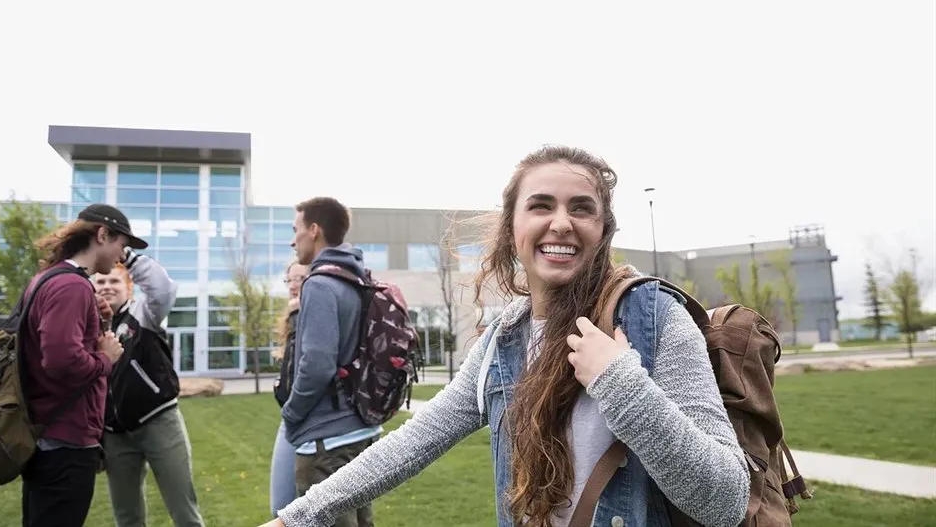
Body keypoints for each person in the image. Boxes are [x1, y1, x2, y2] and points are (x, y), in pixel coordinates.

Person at [260, 146, 751, 527]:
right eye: (540, 205)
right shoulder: (505, 339)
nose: (561, 222)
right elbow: (413, 441)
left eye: (581, 208)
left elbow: (726, 501)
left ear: (602, 230)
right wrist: (299, 514)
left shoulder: (656, 317)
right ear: (512, 227)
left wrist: (623, 385)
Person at [20, 204, 143, 527]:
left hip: (45, 436)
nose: (121, 256)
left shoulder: (47, 279)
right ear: (102, 235)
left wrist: (95, 319)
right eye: (121, 245)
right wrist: (106, 359)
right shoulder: (72, 286)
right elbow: (60, 361)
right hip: (65, 441)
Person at [279, 196, 382, 527]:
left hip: (327, 442)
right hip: (360, 430)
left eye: (296, 230)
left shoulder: (320, 284)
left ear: (314, 229)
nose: (293, 240)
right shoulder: (355, 276)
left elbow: (318, 365)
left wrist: (291, 413)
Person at [91, 247, 205, 527]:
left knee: (184, 511)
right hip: (115, 434)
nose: (107, 287)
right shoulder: (87, 328)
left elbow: (163, 289)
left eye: (114, 281)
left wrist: (125, 254)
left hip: (159, 423)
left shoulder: (144, 314)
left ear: (129, 286)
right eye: (101, 282)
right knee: (127, 517)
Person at [270, 260, 309, 516]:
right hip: (291, 417)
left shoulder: (312, 316)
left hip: (312, 420)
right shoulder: (292, 318)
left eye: (300, 279)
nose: (293, 286)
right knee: (280, 510)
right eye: (290, 280)